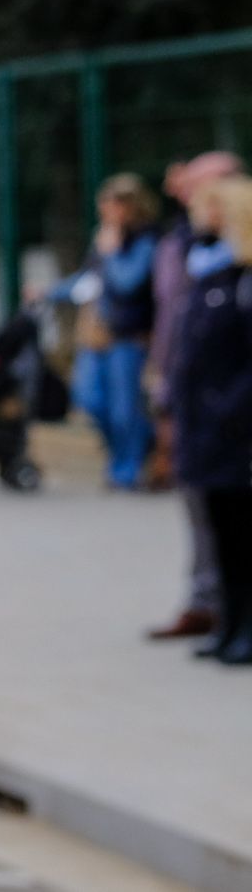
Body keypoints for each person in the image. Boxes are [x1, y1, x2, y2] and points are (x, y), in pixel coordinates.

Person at [146, 151, 246, 641]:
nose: (191, 194)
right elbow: (172, 322)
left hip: (229, 407)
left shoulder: (237, 262)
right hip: (192, 399)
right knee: (203, 506)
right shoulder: (184, 247)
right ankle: (213, 606)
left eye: (207, 188)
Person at [166, 174, 252, 664]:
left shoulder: (243, 281)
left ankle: (247, 629)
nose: (201, 216)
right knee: (219, 532)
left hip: (235, 430)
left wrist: (229, 409)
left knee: (244, 532)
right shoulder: (207, 274)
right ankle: (229, 622)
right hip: (203, 428)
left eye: (212, 208)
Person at [45, 174, 160, 489]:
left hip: (128, 335)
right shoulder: (105, 238)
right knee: (89, 399)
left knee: (126, 409)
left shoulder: (145, 241)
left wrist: (112, 252)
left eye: (113, 207)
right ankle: (127, 453)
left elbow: (128, 283)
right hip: (94, 333)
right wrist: (50, 292)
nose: (107, 213)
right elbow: (88, 280)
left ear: (131, 207)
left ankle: (128, 469)